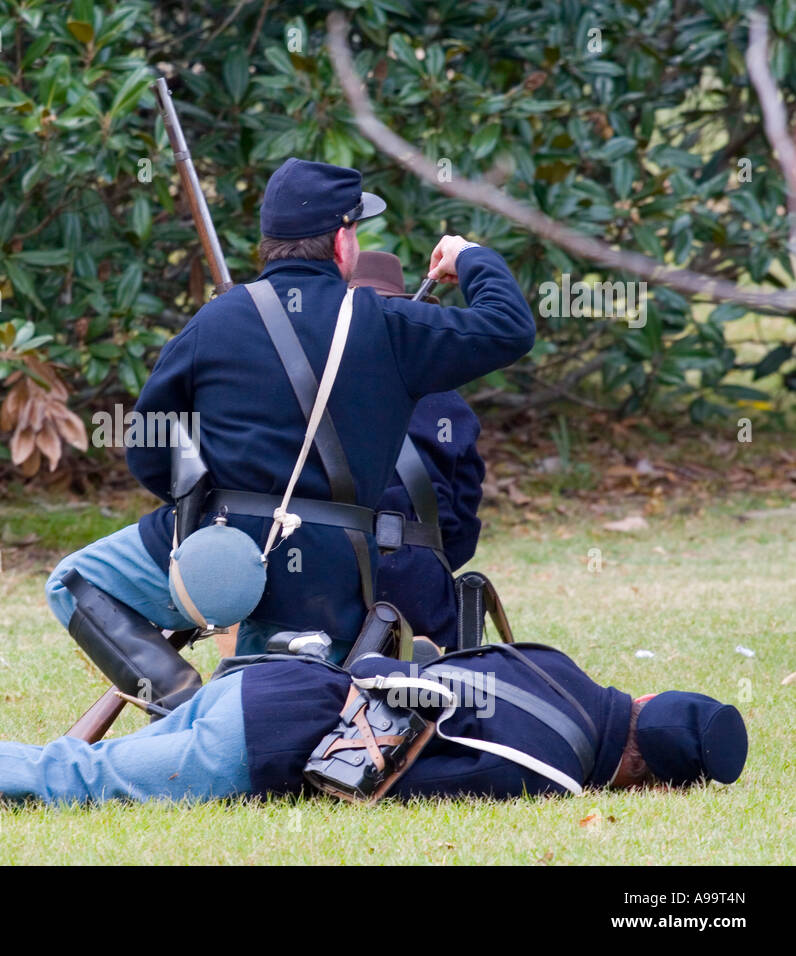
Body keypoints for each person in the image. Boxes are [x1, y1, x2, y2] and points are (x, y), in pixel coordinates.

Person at [44, 157, 535, 681]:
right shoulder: (387, 324)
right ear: (344, 241)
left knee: (75, 579)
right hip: (339, 565)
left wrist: (202, 518)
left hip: (224, 541)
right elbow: (509, 327)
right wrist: (469, 255)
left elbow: (148, 444)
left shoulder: (214, 320)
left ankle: (179, 703)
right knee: (283, 692)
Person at [0, 642, 748, 815]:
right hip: (268, 745)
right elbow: (403, 783)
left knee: (86, 768)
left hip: (274, 681)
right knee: (72, 782)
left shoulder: (557, 666)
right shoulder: (560, 775)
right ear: (645, 773)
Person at [347, 251, 487, 652]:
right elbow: (461, 523)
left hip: (324, 575)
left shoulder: (309, 393)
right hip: (418, 578)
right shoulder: (449, 403)